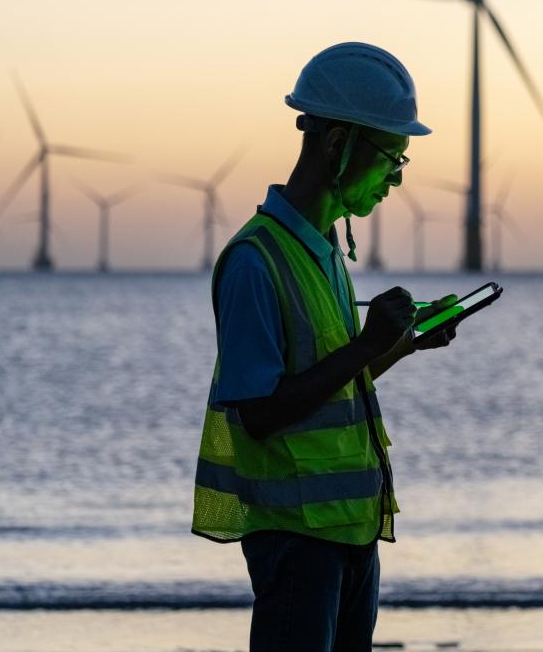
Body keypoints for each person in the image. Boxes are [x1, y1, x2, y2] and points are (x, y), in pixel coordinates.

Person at [192, 42, 462, 651]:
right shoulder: (255, 261)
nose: (396, 177)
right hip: (296, 541)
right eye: (391, 156)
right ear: (338, 143)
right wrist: (368, 346)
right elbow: (259, 412)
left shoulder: (325, 252)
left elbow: (329, 385)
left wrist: (401, 346)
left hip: (350, 533)